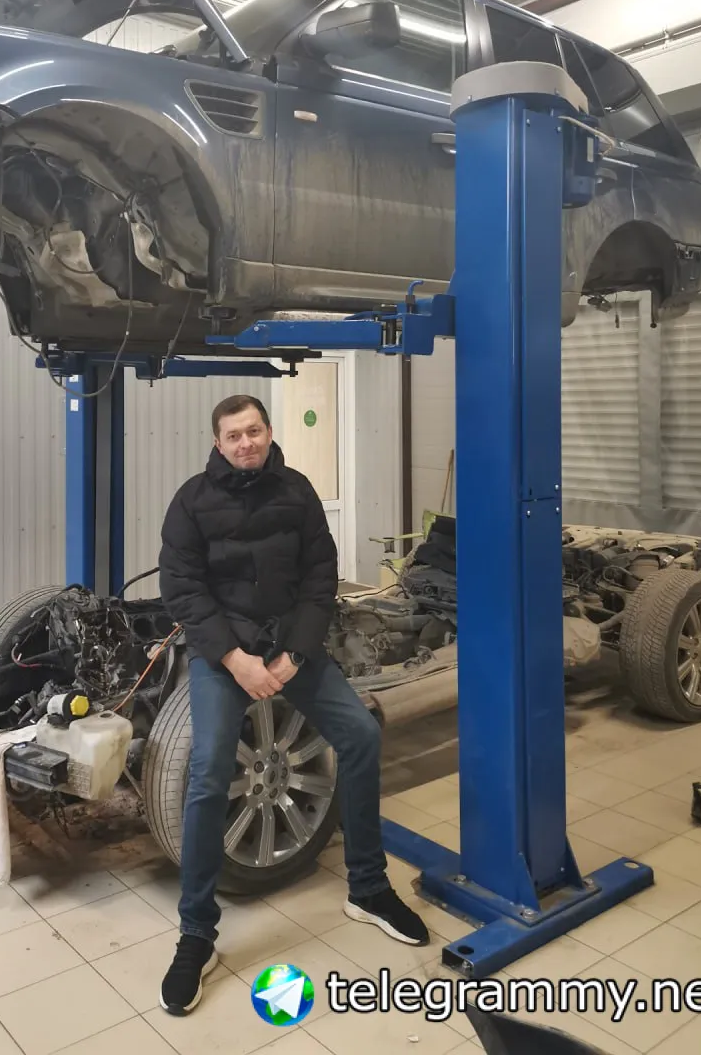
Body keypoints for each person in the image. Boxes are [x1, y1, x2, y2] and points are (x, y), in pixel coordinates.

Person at [156, 393, 429, 1015]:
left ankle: (368, 888)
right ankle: (197, 933)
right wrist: (235, 660)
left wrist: (294, 655)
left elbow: (319, 575)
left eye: (254, 431)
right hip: (225, 658)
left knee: (360, 735)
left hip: (290, 650)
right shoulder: (191, 502)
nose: (246, 443)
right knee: (208, 772)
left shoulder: (297, 491)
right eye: (234, 435)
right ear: (217, 443)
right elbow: (183, 589)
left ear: (269, 431)